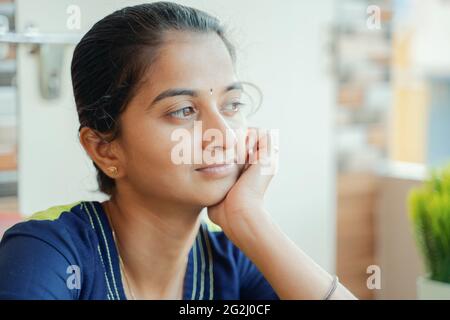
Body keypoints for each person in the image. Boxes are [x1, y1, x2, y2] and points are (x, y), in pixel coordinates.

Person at [0, 2, 356, 300]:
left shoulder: (231, 259)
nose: (223, 135)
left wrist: (249, 219)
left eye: (232, 104)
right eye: (183, 110)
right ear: (105, 149)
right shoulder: (46, 252)